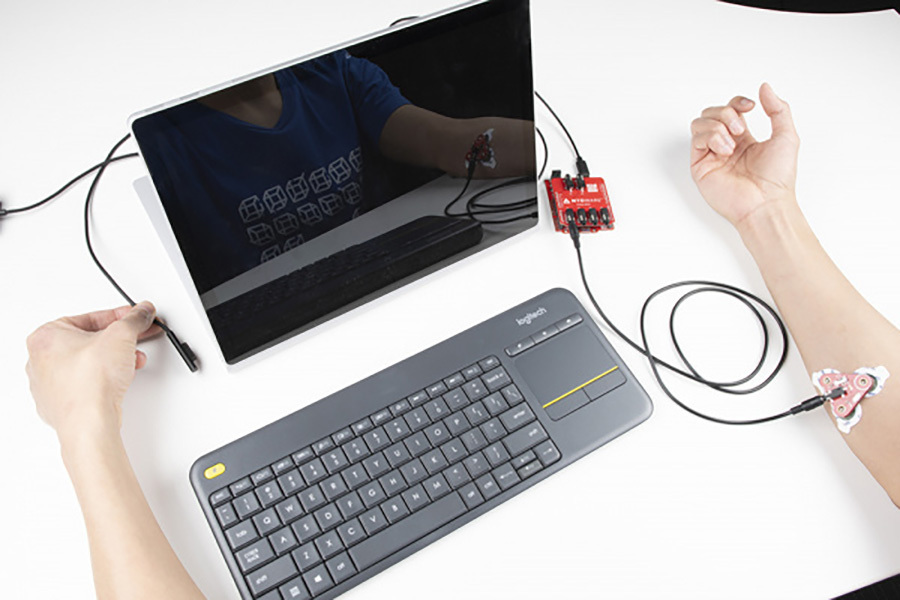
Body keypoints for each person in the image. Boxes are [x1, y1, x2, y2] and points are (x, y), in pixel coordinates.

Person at [24, 83, 899, 598]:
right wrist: (767, 210)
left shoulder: (339, 81)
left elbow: (450, 144)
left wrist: (83, 425)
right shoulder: (182, 144)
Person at [134, 51, 536, 292]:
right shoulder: (154, 141)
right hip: (271, 321)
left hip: (384, 278)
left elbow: (448, 141)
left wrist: (554, 143)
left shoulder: (332, 71)